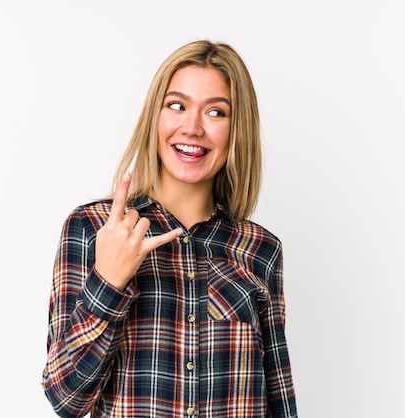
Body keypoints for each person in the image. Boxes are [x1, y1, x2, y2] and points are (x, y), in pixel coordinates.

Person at [42, 39, 298, 418]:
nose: (192, 128)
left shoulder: (260, 248)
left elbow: (279, 400)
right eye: (176, 106)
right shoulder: (94, 228)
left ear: (236, 129)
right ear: (155, 118)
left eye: (216, 112)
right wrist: (109, 280)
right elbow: (66, 399)